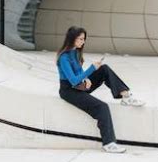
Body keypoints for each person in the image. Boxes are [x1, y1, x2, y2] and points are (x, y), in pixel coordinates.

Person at [57, 26, 145, 154]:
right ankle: (109, 143)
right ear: (72, 39)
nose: (83, 42)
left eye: (84, 39)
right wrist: (91, 69)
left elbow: (79, 72)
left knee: (104, 69)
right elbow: (73, 80)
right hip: (69, 91)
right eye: (80, 39)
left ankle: (125, 96)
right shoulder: (64, 58)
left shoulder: (75, 53)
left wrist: (86, 78)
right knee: (102, 107)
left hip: (80, 86)